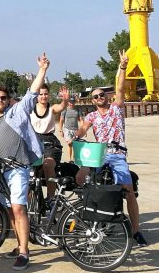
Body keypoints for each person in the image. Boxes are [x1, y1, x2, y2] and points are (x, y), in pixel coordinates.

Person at [74, 50, 147, 247]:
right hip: (99, 155)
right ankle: (93, 217)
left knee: (128, 189)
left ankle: (136, 230)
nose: (100, 97)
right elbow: (83, 129)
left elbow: (121, 89)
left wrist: (122, 67)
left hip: (116, 155)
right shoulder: (91, 116)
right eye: (96, 96)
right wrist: (76, 135)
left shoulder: (116, 109)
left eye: (102, 94)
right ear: (92, 101)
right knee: (81, 179)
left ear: (107, 97)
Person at [0, 53, 50, 270]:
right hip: (0, 172)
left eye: (3, 97)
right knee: (7, 210)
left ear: (8, 99)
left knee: (18, 208)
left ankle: (24, 252)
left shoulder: (18, 112)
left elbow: (32, 93)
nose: (0, 101)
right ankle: (19, 243)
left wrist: (42, 70)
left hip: (17, 169)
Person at [30, 84, 70, 199]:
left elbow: (61, 106)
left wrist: (65, 101)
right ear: (36, 96)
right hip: (33, 141)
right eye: (40, 94)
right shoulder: (30, 109)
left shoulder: (51, 108)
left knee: (48, 165)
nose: (43, 96)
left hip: (50, 142)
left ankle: (50, 198)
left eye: (46, 94)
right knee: (26, 169)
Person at [59, 97, 83, 162]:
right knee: (69, 144)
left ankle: (74, 158)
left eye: (72, 102)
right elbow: (61, 120)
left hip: (76, 129)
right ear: (68, 102)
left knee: (75, 144)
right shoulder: (65, 110)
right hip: (67, 129)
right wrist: (60, 130)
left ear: (74, 102)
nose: (71, 103)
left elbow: (81, 119)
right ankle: (70, 159)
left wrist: (82, 128)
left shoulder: (78, 110)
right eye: (70, 102)